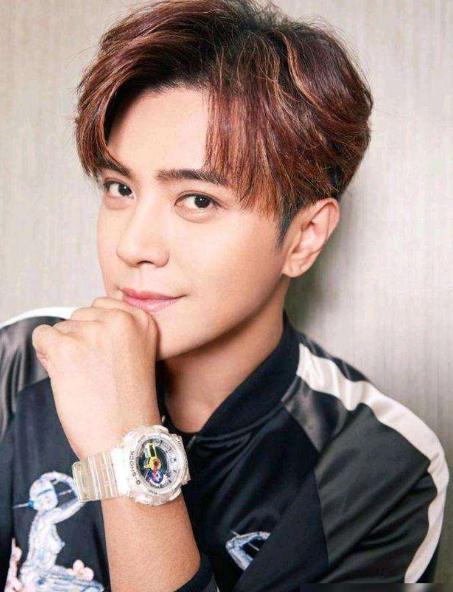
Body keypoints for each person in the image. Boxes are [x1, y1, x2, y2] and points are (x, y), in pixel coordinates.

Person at [0, 0, 449, 590]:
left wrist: (127, 450)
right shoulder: (23, 358)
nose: (134, 245)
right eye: (119, 187)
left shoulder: (379, 460)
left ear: (304, 237)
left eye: (198, 200)